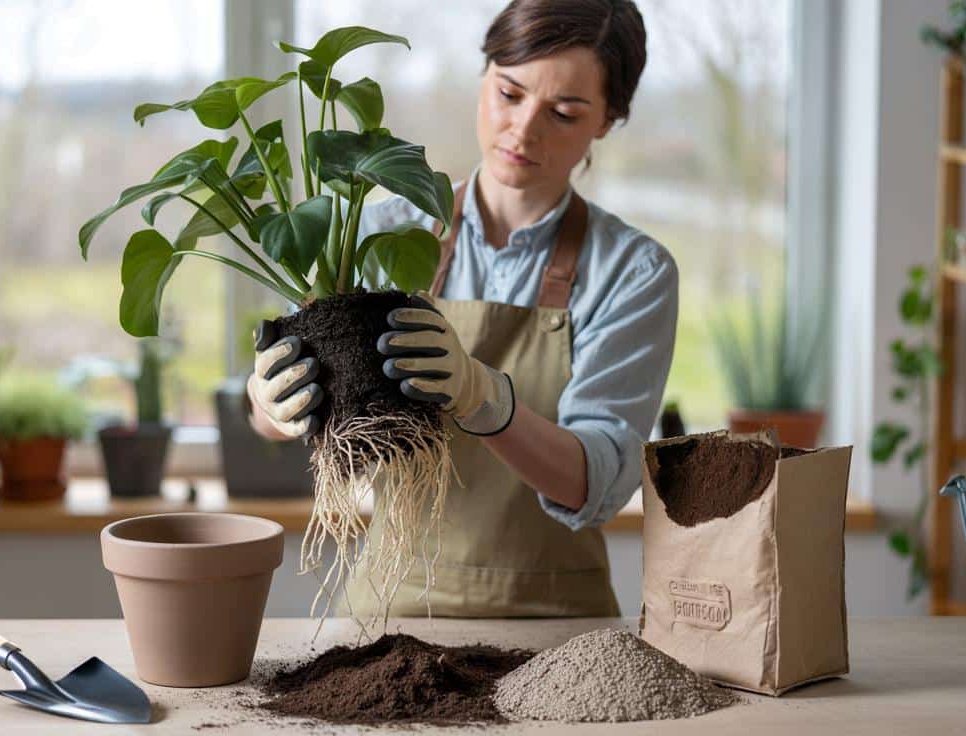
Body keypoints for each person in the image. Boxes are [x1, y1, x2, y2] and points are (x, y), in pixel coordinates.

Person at [248, 0, 677, 618]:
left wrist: (485, 397)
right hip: (387, 608)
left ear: (607, 120)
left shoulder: (632, 272)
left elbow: (600, 486)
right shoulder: (378, 231)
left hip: (555, 629)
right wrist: (269, 402)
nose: (524, 130)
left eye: (563, 112)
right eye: (509, 92)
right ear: (485, 75)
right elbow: (278, 406)